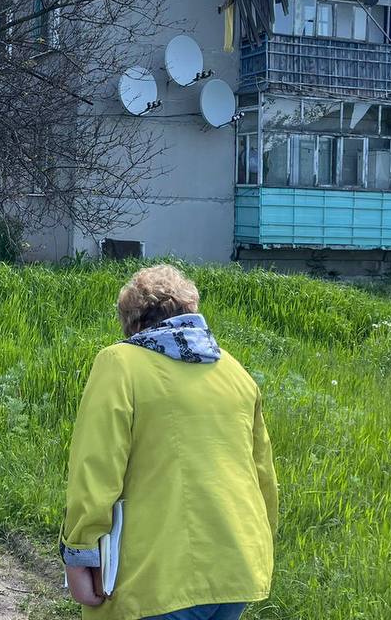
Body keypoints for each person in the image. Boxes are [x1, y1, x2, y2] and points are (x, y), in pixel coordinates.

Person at [61, 264, 278, 620]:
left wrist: (80, 553)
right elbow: (263, 477)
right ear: (191, 312)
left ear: (132, 322)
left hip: (158, 579)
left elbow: (96, 468)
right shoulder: (236, 373)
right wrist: (262, 543)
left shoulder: (121, 363)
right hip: (236, 567)